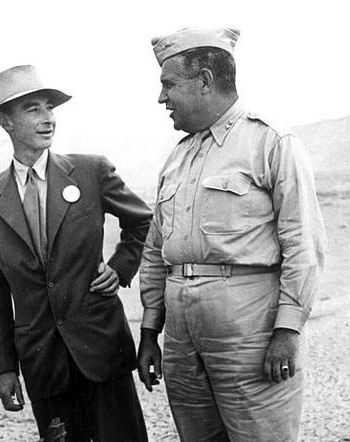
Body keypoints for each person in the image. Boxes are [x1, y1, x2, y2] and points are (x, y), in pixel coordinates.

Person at [137, 28, 327, 441]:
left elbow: (303, 243)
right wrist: (150, 330)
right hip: (182, 341)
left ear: (205, 80)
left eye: (169, 85)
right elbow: (156, 250)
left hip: (249, 334)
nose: (161, 98)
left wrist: (287, 330)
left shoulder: (271, 142)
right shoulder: (178, 156)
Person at [0, 65, 152, 441]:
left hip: (102, 350)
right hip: (43, 364)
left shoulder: (90, 171)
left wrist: (120, 267)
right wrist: (6, 368)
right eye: (33, 109)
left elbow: (144, 222)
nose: (48, 118)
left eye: (49, 108)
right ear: (5, 121)